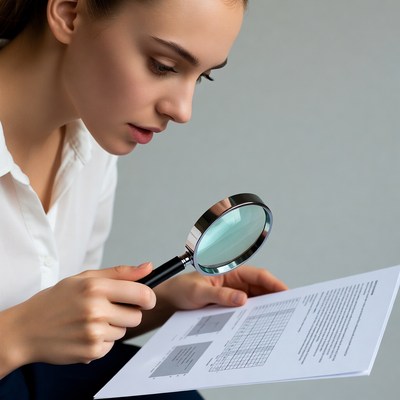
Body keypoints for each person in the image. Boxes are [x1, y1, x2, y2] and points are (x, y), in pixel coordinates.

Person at [0, 0, 287, 398]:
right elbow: (30, 336)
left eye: (202, 77)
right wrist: (18, 334)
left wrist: (163, 300)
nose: (183, 110)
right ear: (69, 13)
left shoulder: (92, 150)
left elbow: (54, 338)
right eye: (163, 65)